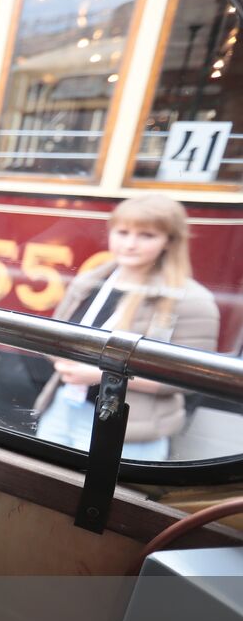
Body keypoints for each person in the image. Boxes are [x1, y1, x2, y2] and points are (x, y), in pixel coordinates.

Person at [34, 196, 219, 461]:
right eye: (122, 232)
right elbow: (54, 336)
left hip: (130, 430)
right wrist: (62, 358)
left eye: (146, 235)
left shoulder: (191, 300)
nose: (130, 244)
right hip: (63, 407)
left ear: (169, 240)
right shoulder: (89, 281)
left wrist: (101, 375)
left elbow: (191, 379)